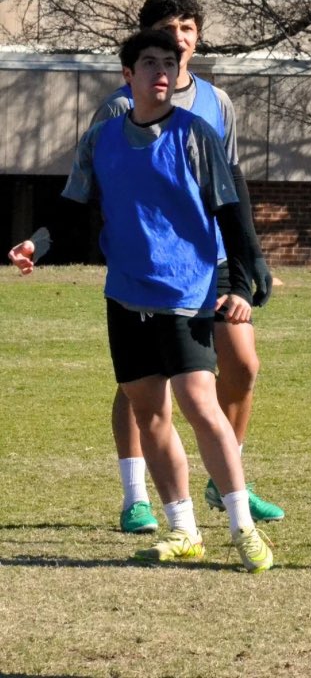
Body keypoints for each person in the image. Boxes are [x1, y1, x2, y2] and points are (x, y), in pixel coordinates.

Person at [8, 30, 273, 572]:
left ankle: (242, 527)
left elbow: (231, 212)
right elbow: (72, 206)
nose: (162, 71)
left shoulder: (196, 134)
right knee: (149, 412)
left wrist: (243, 283)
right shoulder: (102, 138)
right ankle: (183, 529)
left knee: (200, 405)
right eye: (149, 62)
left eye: (169, 63)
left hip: (184, 292)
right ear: (127, 75)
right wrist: (38, 243)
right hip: (125, 294)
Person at [89, 0, 284, 533]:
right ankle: (136, 496)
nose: (178, 38)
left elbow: (233, 182)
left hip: (213, 256)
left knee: (242, 365)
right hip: (151, 267)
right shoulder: (120, 106)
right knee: (142, 385)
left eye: (187, 29)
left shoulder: (216, 103)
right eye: (167, 29)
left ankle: (225, 480)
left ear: (197, 39)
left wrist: (251, 255)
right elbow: (98, 179)